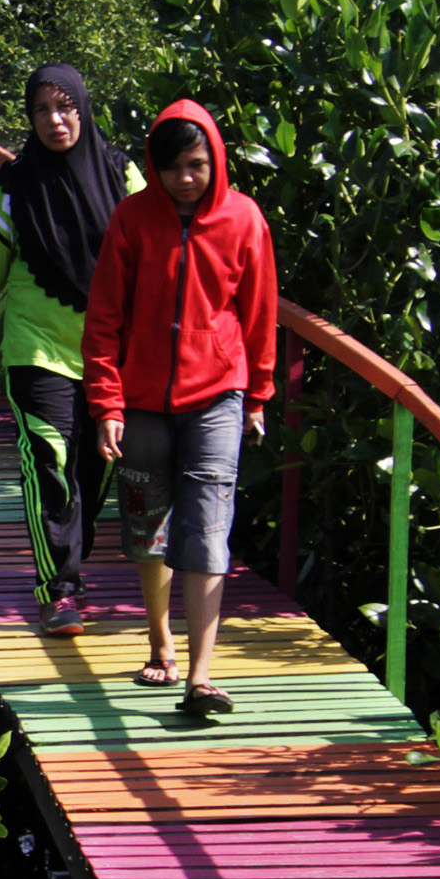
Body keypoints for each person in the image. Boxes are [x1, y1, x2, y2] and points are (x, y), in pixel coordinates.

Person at [82, 99, 279, 716]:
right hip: (141, 401)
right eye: (172, 168)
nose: (185, 179)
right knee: (148, 526)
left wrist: (260, 394)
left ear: (215, 160)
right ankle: (160, 642)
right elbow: (105, 318)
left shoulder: (244, 219)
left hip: (220, 392)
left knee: (209, 525)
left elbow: (260, 312)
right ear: (155, 167)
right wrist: (105, 402)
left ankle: (201, 676)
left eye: (196, 165)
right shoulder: (132, 220)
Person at [0, 64, 140, 634]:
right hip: (35, 347)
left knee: (97, 468)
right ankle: (60, 589)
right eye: (41, 110)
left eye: (65, 106)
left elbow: (158, 260)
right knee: (50, 461)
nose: (55, 120)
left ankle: (70, 565)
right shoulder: (14, 186)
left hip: (108, 354)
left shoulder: (123, 176)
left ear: (83, 107)